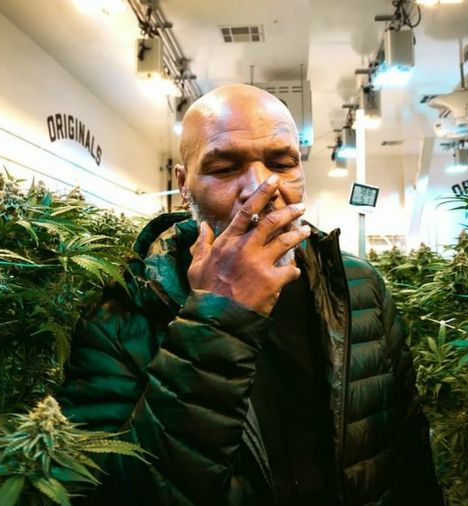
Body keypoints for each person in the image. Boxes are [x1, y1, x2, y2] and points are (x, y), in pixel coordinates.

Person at [59, 84, 443, 505]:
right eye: (225, 168)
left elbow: (408, 450)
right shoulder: (120, 314)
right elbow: (108, 489)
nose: (260, 188)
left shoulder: (358, 284)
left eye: (282, 163)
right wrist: (218, 317)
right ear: (184, 186)